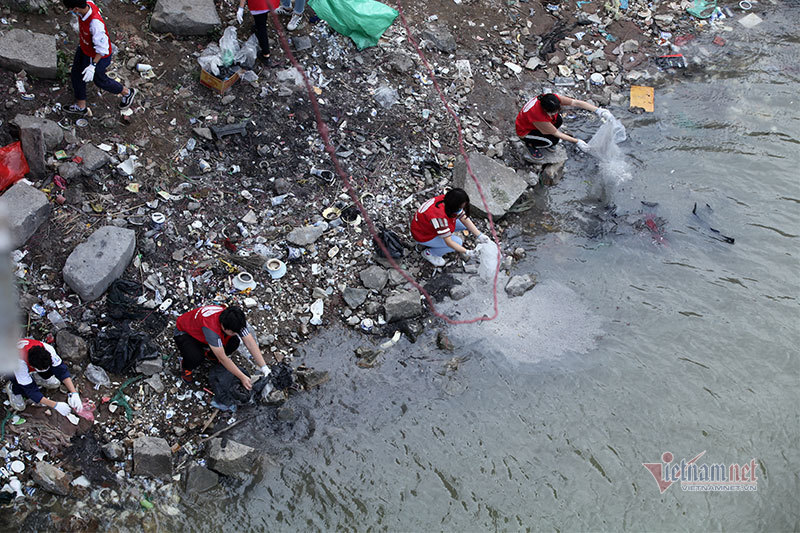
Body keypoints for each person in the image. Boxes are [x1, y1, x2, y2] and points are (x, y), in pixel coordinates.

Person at [174, 304, 280, 390]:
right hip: (185, 333)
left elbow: (250, 343)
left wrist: (264, 368)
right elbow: (223, 358)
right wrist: (242, 377)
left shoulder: (233, 318)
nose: (236, 333)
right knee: (196, 357)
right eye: (234, 332)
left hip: (203, 334)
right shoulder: (211, 329)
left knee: (234, 341)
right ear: (224, 327)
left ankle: (211, 355)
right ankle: (186, 367)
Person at [62, 0, 136, 115]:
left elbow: (102, 49)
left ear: (76, 9)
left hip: (97, 56)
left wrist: (93, 65)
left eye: (70, 10)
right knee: (76, 73)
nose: (69, 12)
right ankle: (81, 106)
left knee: (100, 80)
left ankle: (126, 92)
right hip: (85, 48)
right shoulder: (87, 4)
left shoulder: (95, 24)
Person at [516, 93, 613, 160]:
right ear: (545, 110)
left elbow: (576, 103)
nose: (554, 113)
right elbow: (556, 133)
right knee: (553, 140)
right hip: (525, 131)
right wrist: (577, 141)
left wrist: (599, 111)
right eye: (552, 113)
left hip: (536, 125)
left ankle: (543, 136)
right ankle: (531, 145)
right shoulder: (537, 116)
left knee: (558, 120)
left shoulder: (551, 99)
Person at [410, 188, 489, 267]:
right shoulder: (439, 218)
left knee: (463, 224)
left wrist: (480, 235)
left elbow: (463, 218)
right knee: (458, 242)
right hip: (423, 235)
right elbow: (449, 242)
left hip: (424, 226)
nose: (461, 209)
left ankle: (439, 239)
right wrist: (467, 252)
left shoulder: (447, 199)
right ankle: (429, 253)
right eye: (460, 207)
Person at [5, 338, 82, 417]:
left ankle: (36, 377)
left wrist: (74, 393)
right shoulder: (19, 364)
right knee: (22, 388)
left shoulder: (48, 350)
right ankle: (13, 389)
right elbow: (31, 391)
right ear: (31, 366)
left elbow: (61, 370)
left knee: (50, 371)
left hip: (31, 362)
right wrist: (55, 405)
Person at [236, 0, 281, 66]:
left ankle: (266, 55)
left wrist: (241, 8)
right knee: (262, 19)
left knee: (261, 28)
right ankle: (258, 25)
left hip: (258, 4)